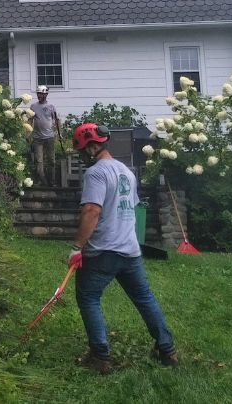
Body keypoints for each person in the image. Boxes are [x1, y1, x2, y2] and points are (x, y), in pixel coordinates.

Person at [68, 123, 178, 374]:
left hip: (103, 251)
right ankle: (167, 349)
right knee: (144, 298)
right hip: (130, 250)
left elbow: (91, 211)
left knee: (88, 297)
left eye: (83, 151)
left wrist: (76, 247)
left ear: (93, 147)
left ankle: (100, 356)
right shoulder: (126, 172)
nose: (83, 157)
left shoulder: (96, 173)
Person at [29, 85, 61, 187]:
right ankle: (42, 181)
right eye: (38, 94)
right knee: (39, 161)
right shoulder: (33, 107)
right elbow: (30, 120)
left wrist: (60, 134)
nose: (39, 96)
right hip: (37, 138)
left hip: (49, 137)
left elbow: (56, 121)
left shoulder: (51, 106)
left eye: (42, 94)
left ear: (46, 94)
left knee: (51, 160)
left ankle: (52, 181)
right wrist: (28, 133)